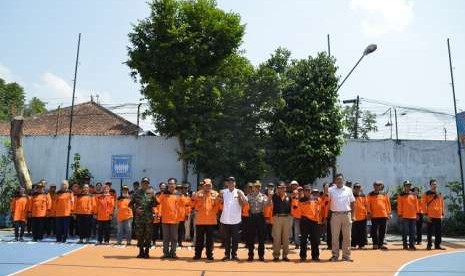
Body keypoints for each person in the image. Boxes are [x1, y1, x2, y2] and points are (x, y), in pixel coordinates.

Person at [328, 173, 355, 262]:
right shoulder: (330, 190)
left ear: (343, 180)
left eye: (341, 179)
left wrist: (353, 215)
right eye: (337, 179)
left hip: (347, 215)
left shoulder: (348, 190)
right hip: (335, 215)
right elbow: (325, 200)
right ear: (335, 181)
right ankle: (335, 256)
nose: (339, 180)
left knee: (347, 237)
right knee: (335, 237)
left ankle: (346, 256)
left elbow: (353, 203)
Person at [219, 176, 247, 261]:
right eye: (229, 182)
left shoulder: (239, 191)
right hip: (225, 219)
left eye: (232, 182)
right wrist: (219, 197)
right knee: (226, 239)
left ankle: (234, 255)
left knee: (235, 239)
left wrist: (241, 195)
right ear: (227, 183)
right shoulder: (223, 192)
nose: (231, 183)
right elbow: (218, 202)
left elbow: (245, 203)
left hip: (235, 220)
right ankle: (227, 255)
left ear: (235, 183)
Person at [192, 178, 220, 260]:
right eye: (206, 185)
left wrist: (214, 211)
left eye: (209, 185)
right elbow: (192, 205)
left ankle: (209, 255)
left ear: (211, 185)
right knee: (199, 239)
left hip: (211, 221)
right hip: (200, 221)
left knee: (210, 240)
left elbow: (218, 206)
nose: (208, 187)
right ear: (203, 186)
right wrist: (193, 198)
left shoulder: (215, 194)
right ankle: (197, 254)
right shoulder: (198, 194)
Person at [130, 177, 156, 258]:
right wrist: (136, 209)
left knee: (148, 235)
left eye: (146, 183)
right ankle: (141, 251)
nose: (145, 184)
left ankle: (147, 251)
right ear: (141, 183)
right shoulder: (136, 193)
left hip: (148, 218)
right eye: (144, 183)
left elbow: (156, 204)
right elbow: (130, 204)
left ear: (148, 184)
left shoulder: (151, 193)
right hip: (139, 219)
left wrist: (155, 212)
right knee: (139, 235)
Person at [157, 177, 184, 259]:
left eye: (172, 183)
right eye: (169, 183)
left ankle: (173, 253)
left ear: (175, 185)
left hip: (175, 219)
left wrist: (183, 196)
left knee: (174, 238)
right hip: (165, 219)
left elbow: (185, 203)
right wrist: (158, 213)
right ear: (168, 184)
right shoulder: (164, 194)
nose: (171, 185)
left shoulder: (179, 194)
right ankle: (166, 253)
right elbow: (158, 202)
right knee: (166, 238)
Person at [296, 186, 323, 262]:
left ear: (311, 191)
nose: (307, 191)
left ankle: (315, 256)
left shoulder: (316, 199)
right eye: (306, 190)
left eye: (309, 190)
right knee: (303, 239)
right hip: (304, 221)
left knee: (314, 239)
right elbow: (298, 210)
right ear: (304, 191)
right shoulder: (301, 200)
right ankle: (303, 256)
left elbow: (320, 207)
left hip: (314, 221)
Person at [246, 181, 268, 262]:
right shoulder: (249, 196)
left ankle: (261, 255)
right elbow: (244, 202)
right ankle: (250, 255)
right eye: (256, 186)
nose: (257, 188)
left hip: (260, 217)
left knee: (261, 238)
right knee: (251, 237)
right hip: (251, 217)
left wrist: (270, 197)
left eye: (259, 186)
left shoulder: (263, 196)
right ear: (253, 187)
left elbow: (267, 204)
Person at [271, 181, 292, 262]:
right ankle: (276, 255)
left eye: (284, 187)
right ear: (278, 188)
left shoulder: (289, 197)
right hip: (277, 217)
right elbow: (270, 201)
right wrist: (276, 191)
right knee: (277, 237)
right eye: (280, 187)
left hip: (287, 218)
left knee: (286, 238)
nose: (283, 189)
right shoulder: (274, 197)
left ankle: (285, 255)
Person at [422, 179, 445, 250]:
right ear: (430, 185)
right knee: (429, 231)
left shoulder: (440, 194)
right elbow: (423, 204)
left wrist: (442, 213)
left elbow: (442, 204)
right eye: (433, 184)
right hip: (430, 215)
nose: (434, 185)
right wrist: (426, 214)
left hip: (438, 215)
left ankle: (437, 245)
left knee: (438, 231)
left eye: (435, 184)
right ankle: (429, 245)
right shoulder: (426, 194)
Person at [367, 181, 391, 250]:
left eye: (378, 185)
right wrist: (368, 213)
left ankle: (381, 244)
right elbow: (368, 205)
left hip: (383, 215)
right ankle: (375, 244)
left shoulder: (384, 194)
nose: (377, 186)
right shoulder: (370, 194)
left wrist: (389, 213)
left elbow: (387, 204)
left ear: (380, 186)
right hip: (374, 215)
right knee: (374, 230)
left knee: (382, 231)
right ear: (373, 186)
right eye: (376, 185)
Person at [398, 180, 420, 250]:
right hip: (405, 216)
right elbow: (399, 206)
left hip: (413, 216)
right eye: (407, 185)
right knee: (405, 231)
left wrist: (417, 214)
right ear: (404, 186)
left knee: (413, 232)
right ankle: (405, 245)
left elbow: (416, 205)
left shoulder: (414, 195)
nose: (408, 187)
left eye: (409, 185)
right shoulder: (401, 195)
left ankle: (412, 244)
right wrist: (400, 214)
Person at [351, 183, 368, 249]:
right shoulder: (351, 196)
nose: (357, 189)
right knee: (353, 232)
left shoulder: (363, 196)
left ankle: (361, 245)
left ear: (360, 188)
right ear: (353, 188)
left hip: (363, 217)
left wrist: (367, 213)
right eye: (355, 187)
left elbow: (366, 205)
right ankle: (353, 244)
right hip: (353, 217)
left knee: (362, 232)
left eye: (358, 187)